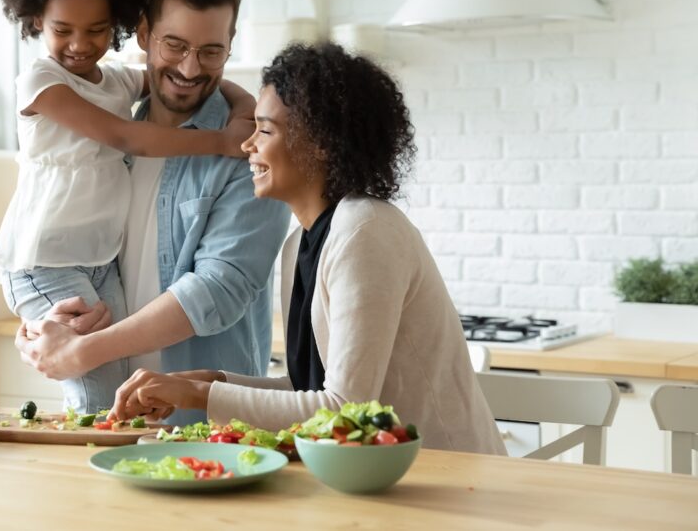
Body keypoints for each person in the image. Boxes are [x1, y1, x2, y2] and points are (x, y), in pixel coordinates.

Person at [108, 43, 507, 455]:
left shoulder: (365, 231)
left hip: (447, 480)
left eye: (264, 130)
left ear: (320, 141)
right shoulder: (300, 243)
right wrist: (210, 382)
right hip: (376, 478)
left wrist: (197, 394)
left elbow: (343, 411)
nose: (247, 145)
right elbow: (309, 392)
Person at [0, 0, 257, 415]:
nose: (190, 67)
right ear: (143, 33)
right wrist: (44, 335)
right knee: (92, 398)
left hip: (198, 420)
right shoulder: (73, 97)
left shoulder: (247, 152)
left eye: (211, 51)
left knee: (94, 383)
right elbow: (124, 137)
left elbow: (217, 290)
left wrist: (246, 110)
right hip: (49, 264)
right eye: (174, 45)